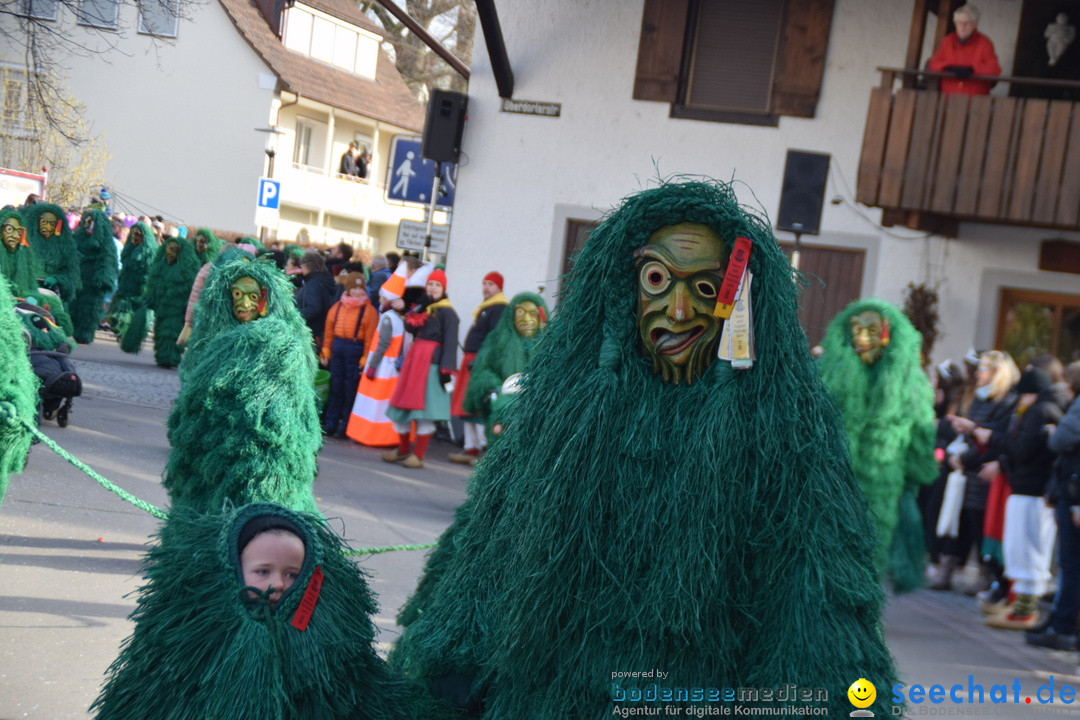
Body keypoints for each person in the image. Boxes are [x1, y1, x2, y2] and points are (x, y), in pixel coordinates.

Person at [390, 180, 897, 718]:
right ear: (625, 290)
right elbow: (487, 554)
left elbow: (818, 603)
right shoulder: (565, 408)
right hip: (547, 692)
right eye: (657, 280)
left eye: (704, 290)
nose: (678, 311)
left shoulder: (788, 433)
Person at [90, 503, 457, 720]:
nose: (278, 583)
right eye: (263, 571)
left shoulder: (326, 636)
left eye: (292, 574)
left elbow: (367, 690)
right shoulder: (191, 633)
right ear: (234, 568)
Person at [165, 256, 322, 515]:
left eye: (252, 295)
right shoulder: (215, 336)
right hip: (215, 445)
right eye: (237, 294)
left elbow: (295, 402)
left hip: (260, 450)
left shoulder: (284, 341)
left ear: (264, 298)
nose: (244, 303)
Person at [817, 298, 939, 592]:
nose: (862, 339)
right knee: (824, 549)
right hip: (828, 482)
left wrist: (914, 478)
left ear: (888, 336)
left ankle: (858, 610)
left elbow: (921, 440)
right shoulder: (825, 374)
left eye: (872, 331)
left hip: (881, 483)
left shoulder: (911, 384)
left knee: (870, 549)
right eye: (857, 330)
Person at [984, 365, 1069, 630]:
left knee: (1029, 549)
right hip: (1028, 488)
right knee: (1021, 548)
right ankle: (1019, 605)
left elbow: (1023, 449)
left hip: (1033, 491)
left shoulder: (1039, 412)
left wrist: (992, 438)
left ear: (1030, 393)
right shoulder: (1046, 410)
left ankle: (1024, 609)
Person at [945, 350, 1020, 604]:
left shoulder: (1008, 400)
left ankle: (990, 576)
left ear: (999, 373)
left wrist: (970, 450)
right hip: (974, 468)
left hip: (990, 471)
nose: (979, 373)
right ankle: (981, 573)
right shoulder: (979, 398)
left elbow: (999, 439)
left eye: (985, 368)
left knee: (987, 527)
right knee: (973, 521)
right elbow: (976, 434)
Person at [1027, 361, 1080, 649]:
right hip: (1070, 490)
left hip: (1074, 493)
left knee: (1071, 565)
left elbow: (1060, 441)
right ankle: (1059, 620)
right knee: (1068, 564)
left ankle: (1063, 626)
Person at [382, 269, 458, 469]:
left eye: (437, 285)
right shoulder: (423, 308)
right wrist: (419, 306)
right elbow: (409, 326)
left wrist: (446, 371)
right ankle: (403, 449)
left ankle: (419, 455)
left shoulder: (449, 313)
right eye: (430, 284)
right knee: (403, 407)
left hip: (432, 365)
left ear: (444, 289)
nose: (433, 288)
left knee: (424, 411)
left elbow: (450, 344)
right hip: (415, 362)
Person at [461, 291, 548, 449]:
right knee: (500, 427)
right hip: (503, 400)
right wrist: (495, 389)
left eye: (532, 314)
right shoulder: (498, 339)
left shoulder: (548, 347)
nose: (526, 319)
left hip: (536, 405)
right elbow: (483, 369)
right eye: (520, 312)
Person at [448, 271, 508, 464]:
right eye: (484, 283)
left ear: (499, 287)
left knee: (477, 403)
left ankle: (482, 448)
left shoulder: (499, 308)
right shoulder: (485, 307)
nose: (486, 287)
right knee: (467, 402)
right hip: (471, 359)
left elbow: (494, 338)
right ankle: (470, 448)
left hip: (479, 361)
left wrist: (482, 359)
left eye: (490, 284)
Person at [320, 272, 378, 438]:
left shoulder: (369, 311)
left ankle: (346, 424)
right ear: (348, 289)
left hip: (355, 349)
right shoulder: (337, 307)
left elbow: (369, 338)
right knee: (336, 386)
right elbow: (329, 332)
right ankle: (331, 422)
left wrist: (365, 358)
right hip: (338, 348)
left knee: (350, 389)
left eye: (361, 288)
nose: (358, 292)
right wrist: (325, 351)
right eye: (354, 288)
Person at [927, 4, 1001, 95]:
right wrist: (949, 68)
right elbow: (933, 64)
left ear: (974, 24)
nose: (962, 27)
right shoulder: (947, 41)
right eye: (959, 23)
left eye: (966, 23)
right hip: (949, 98)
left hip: (975, 100)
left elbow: (994, 70)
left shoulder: (985, 43)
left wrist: (972, 70)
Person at [70, 208, 119, 344]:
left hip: (93, 284)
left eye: (91, 222)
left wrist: (103, 280)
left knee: (89, 310)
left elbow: (108, 262)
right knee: (74, 307)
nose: (88, 225)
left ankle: (85, 334)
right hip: (78, 280)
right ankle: (74, 330)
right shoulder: (77, 238)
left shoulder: (106, 243)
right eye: (86, 222)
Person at [294, 249, 341, 352]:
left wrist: (293, 317)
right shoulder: (324, 279)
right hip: (322, 330)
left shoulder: (313, 283)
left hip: (313, 331)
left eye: (302, 265)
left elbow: (314, 308)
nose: (300, 268)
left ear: (308, 265)